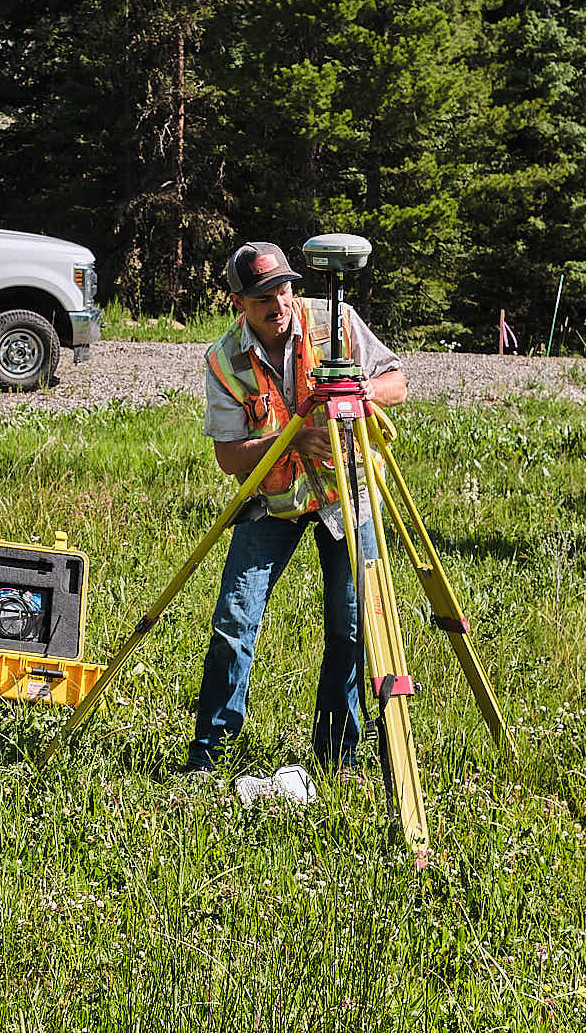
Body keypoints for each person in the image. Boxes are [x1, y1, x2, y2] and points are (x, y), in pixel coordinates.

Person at [185, 241, 407, 774]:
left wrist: (361, 395)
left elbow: (396, 381)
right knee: (233, 624)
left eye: (283, 288)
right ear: (238, 301)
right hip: (273, 504)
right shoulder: (224, 360)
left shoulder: (338, 321)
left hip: (345, 495)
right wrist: (291, 439)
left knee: (353, 628)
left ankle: (338, 755)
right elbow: (229, 457)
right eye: (262, 295)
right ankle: (209, 755)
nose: (278, 302)